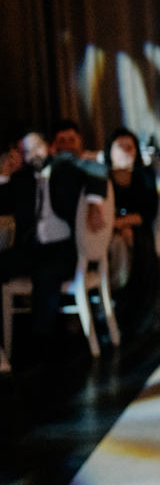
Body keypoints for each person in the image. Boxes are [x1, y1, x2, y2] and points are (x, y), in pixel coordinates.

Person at [0, 128, 108, 365]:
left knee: (45, 274)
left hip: (63, 248)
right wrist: (4, 175)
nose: (33, 154)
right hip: (31, 248)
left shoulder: (64, 168)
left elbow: (97, 168)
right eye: (26, 151)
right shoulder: (22, 178)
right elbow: (3, 204)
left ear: (49, 148)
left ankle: (41, 344)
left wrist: (94, 203)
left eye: (37, 147)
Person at [106, 127, 160, 334]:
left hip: (138, 228)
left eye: (129, 147)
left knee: (131, 240)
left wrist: (121, 223)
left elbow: (147, 213)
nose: (124, 152)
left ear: (136, 151)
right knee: (118, 243)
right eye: (119, 147)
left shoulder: (144, 175)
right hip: (108, 231)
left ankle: (132, 310)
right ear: (110, 151)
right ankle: (113, 303)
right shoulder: (102, 176)